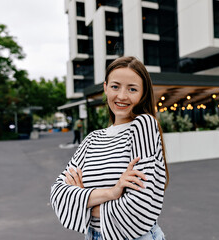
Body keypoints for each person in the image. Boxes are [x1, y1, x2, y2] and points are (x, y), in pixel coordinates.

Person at [50, 56, 169, 240]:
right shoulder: (92, 139)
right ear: (105, 87)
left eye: (132, 89)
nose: (122, 96)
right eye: (115, 86)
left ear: (143, 93)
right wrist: (112, 193)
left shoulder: (143, 126)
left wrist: (84, 201)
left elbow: (140, 209)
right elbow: (59, 196)